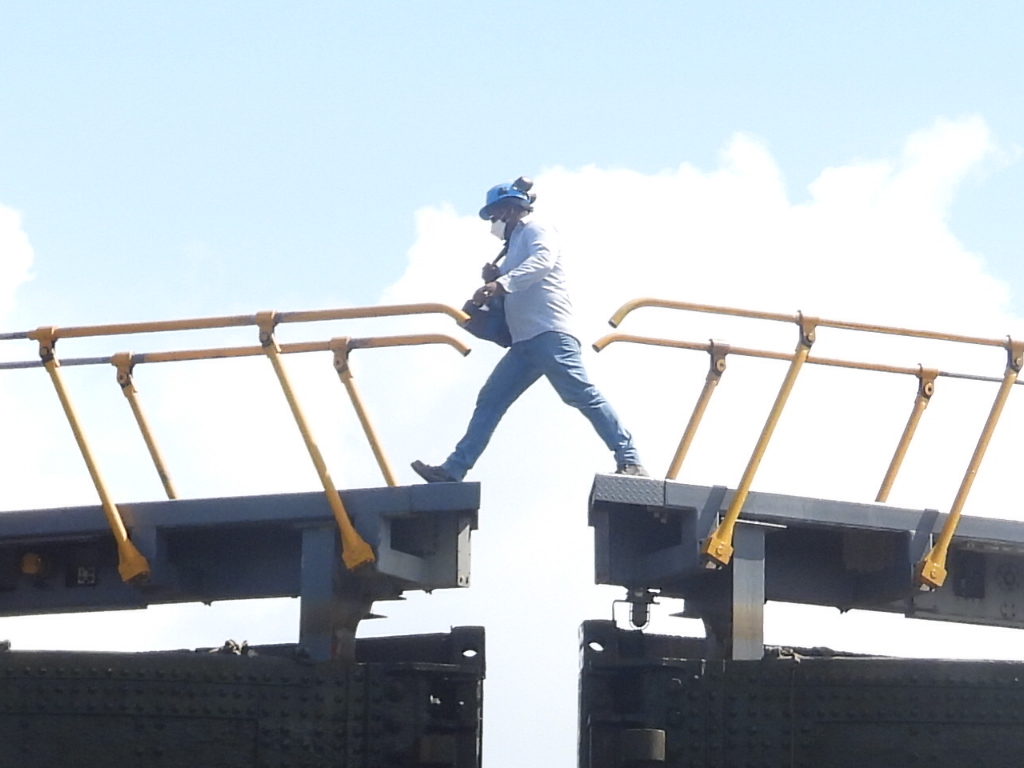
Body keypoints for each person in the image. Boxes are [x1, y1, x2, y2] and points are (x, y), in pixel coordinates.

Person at [411, 177, 647, 483]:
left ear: (509, 210)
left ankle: (629, 458)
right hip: (524, 343)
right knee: (490, 399)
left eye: (494, 216)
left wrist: (501, 282)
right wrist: (496, 279)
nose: (492, 224)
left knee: (581, 394)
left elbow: (542, 262)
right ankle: (454, 469)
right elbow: (513, 291)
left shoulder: (536, 229)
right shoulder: (511, 253)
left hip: (550, 334)